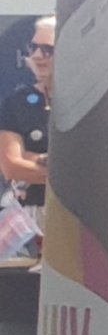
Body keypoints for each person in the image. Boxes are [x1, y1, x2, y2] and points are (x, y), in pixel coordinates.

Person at [0, 16, 52, 204]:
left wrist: (34, 159)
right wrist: (67, 173)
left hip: (79, 216)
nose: (38, 56)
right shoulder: (15, 103)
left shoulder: (86, 101)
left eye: (47, 50)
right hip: (32, 215)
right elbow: (12, 166)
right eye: (33, 48)